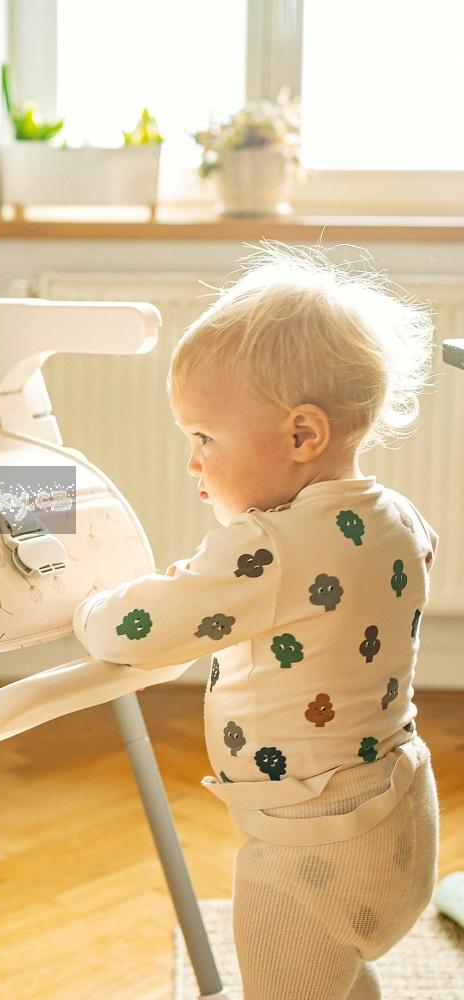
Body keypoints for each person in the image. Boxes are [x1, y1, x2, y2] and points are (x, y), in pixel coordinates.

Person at [72, 243, 440, 1000]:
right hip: (401, 816)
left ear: (303, 436)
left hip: (310, 848)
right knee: (340, 975)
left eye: (204, 438)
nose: (193, 463)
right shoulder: (399, 516)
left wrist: (86, 604)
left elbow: (135, 627)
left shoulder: (268, 547)